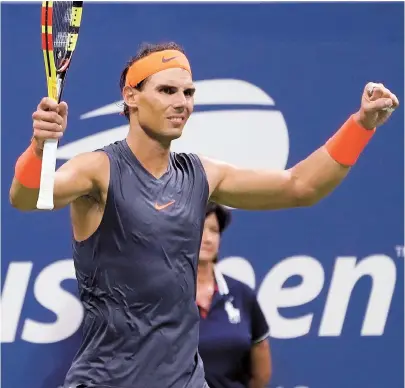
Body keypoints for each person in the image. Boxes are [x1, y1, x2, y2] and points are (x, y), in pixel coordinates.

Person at [9, 41, 398, 388]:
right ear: (131, 96)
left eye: (189, 92)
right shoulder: (98, 169)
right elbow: (27, 198)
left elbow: (301, 186)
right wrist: (39, 149)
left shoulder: (200, 174)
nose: (182, 102)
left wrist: (361, 125)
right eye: (166, 90)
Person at [197, 202, 271, 388]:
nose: (207, 238)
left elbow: (261, 367)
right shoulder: (164, 295)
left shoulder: (242, 293)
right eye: (199, 229)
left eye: (214, 230)